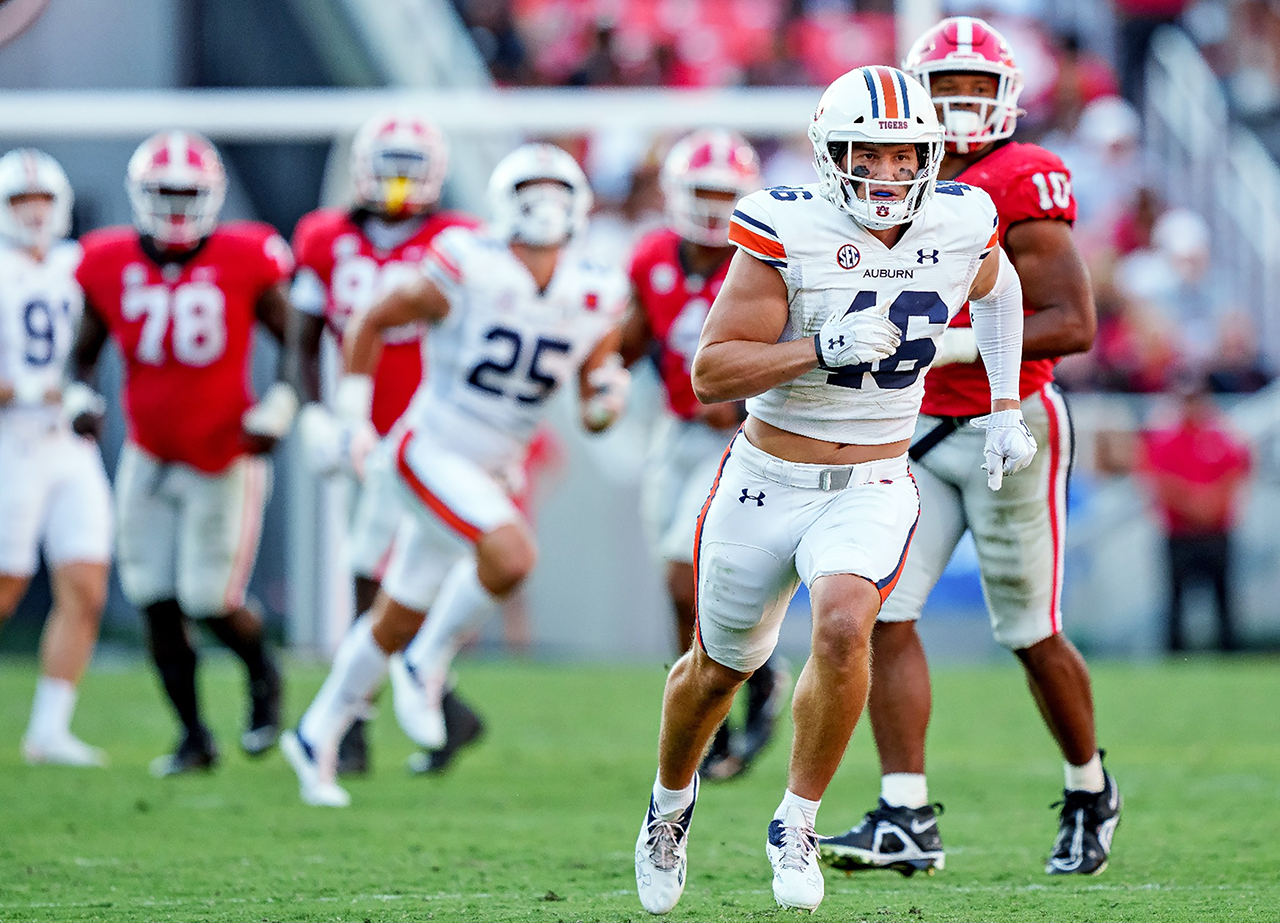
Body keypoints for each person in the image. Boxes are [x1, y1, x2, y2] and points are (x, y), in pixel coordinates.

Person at [634, 64, 1036, 915]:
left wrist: (1004, 403)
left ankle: (798, 818)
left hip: (874, 477)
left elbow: (1000, 293)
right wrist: (820, 347)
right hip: (767, 476)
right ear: (830, 153)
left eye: (905, 157)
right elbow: (712, 371)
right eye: (870, 154)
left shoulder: (962, 217)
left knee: (849, 621)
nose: (888, 174)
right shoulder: (787, 228)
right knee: (717, 670)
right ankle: (669, 805)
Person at [819, 17, 1119, 880]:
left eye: (973, 91)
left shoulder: (1020, 178)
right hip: (912, 429)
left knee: (1029, 628)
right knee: (884, 613)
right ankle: (906, 812)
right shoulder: (890, 178)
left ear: (1007, 98)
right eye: (941, 90)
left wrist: (954, 344)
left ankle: (1088, 784)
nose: (956, 109)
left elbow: (1074, 321)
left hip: (1004, 423)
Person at [282, 142, 631, 807]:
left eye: (558, 192)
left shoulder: (597, 288)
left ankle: (317, 729)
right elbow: (371, 318)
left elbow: (595, 396)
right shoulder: (469, 264)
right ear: (505, 203)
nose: (546, 207)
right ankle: (428, 660)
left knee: (394, 611)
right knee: (512, 552)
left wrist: (606, 400)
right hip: (431, 448)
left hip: (493, 467)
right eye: (532, 191)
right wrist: (353, 418)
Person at [70, 130, 295, 776]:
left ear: (213, 197)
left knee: (208, 596)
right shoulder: (106, 260)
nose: (173, 206)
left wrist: (280, 405)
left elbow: (298, 339)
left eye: (186, 194)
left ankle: (262, 672)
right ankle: (193, 735)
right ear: (140, 195)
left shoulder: (246, 255)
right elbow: (84, 353)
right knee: (151, 594)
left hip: (224, 452)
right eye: (163, 194)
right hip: (149, 448)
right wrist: (75, 397)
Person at [291, 110, 484, 775]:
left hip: (435, 428)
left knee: (398, 572)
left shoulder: (458, 241)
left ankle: (363, 715)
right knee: (372, 570)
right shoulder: (323, 237)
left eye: (411, 168)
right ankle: (422, 709)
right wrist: (316, 411)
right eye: (389, 166)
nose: (399, 183)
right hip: (362, 427)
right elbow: (304, 334)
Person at [618, 128, 789, 781]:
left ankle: (748, 683)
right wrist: (599, 369)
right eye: (704, 193)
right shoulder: (652, 258)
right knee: (679, 594)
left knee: (683, 574)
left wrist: (742, 403)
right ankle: (719, 706)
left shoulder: (762, 258)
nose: (716, 208)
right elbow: (633, 338)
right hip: (676, 433)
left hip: (740, 438)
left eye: (727, 194)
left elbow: (784, 355)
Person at [0, 149, 112, 767]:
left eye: (42, 200)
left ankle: (48, 730)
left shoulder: (79, 264)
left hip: (72, 445)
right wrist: (38, 391)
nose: (34, 213)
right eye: (21, 201)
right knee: (6, 590)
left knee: (87, 588)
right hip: (13, 439)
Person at [1139, 380, 1252, 653]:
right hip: (1180, 534)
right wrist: (1198, 504)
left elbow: (1235, 475)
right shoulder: (1166, 440)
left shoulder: (1222, 438)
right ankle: (1175, 654)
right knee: (1175, 601)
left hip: (1215, 533)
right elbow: (1159, 483)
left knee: (1224, 600)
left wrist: (1206, 503)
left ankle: (1229, 653)